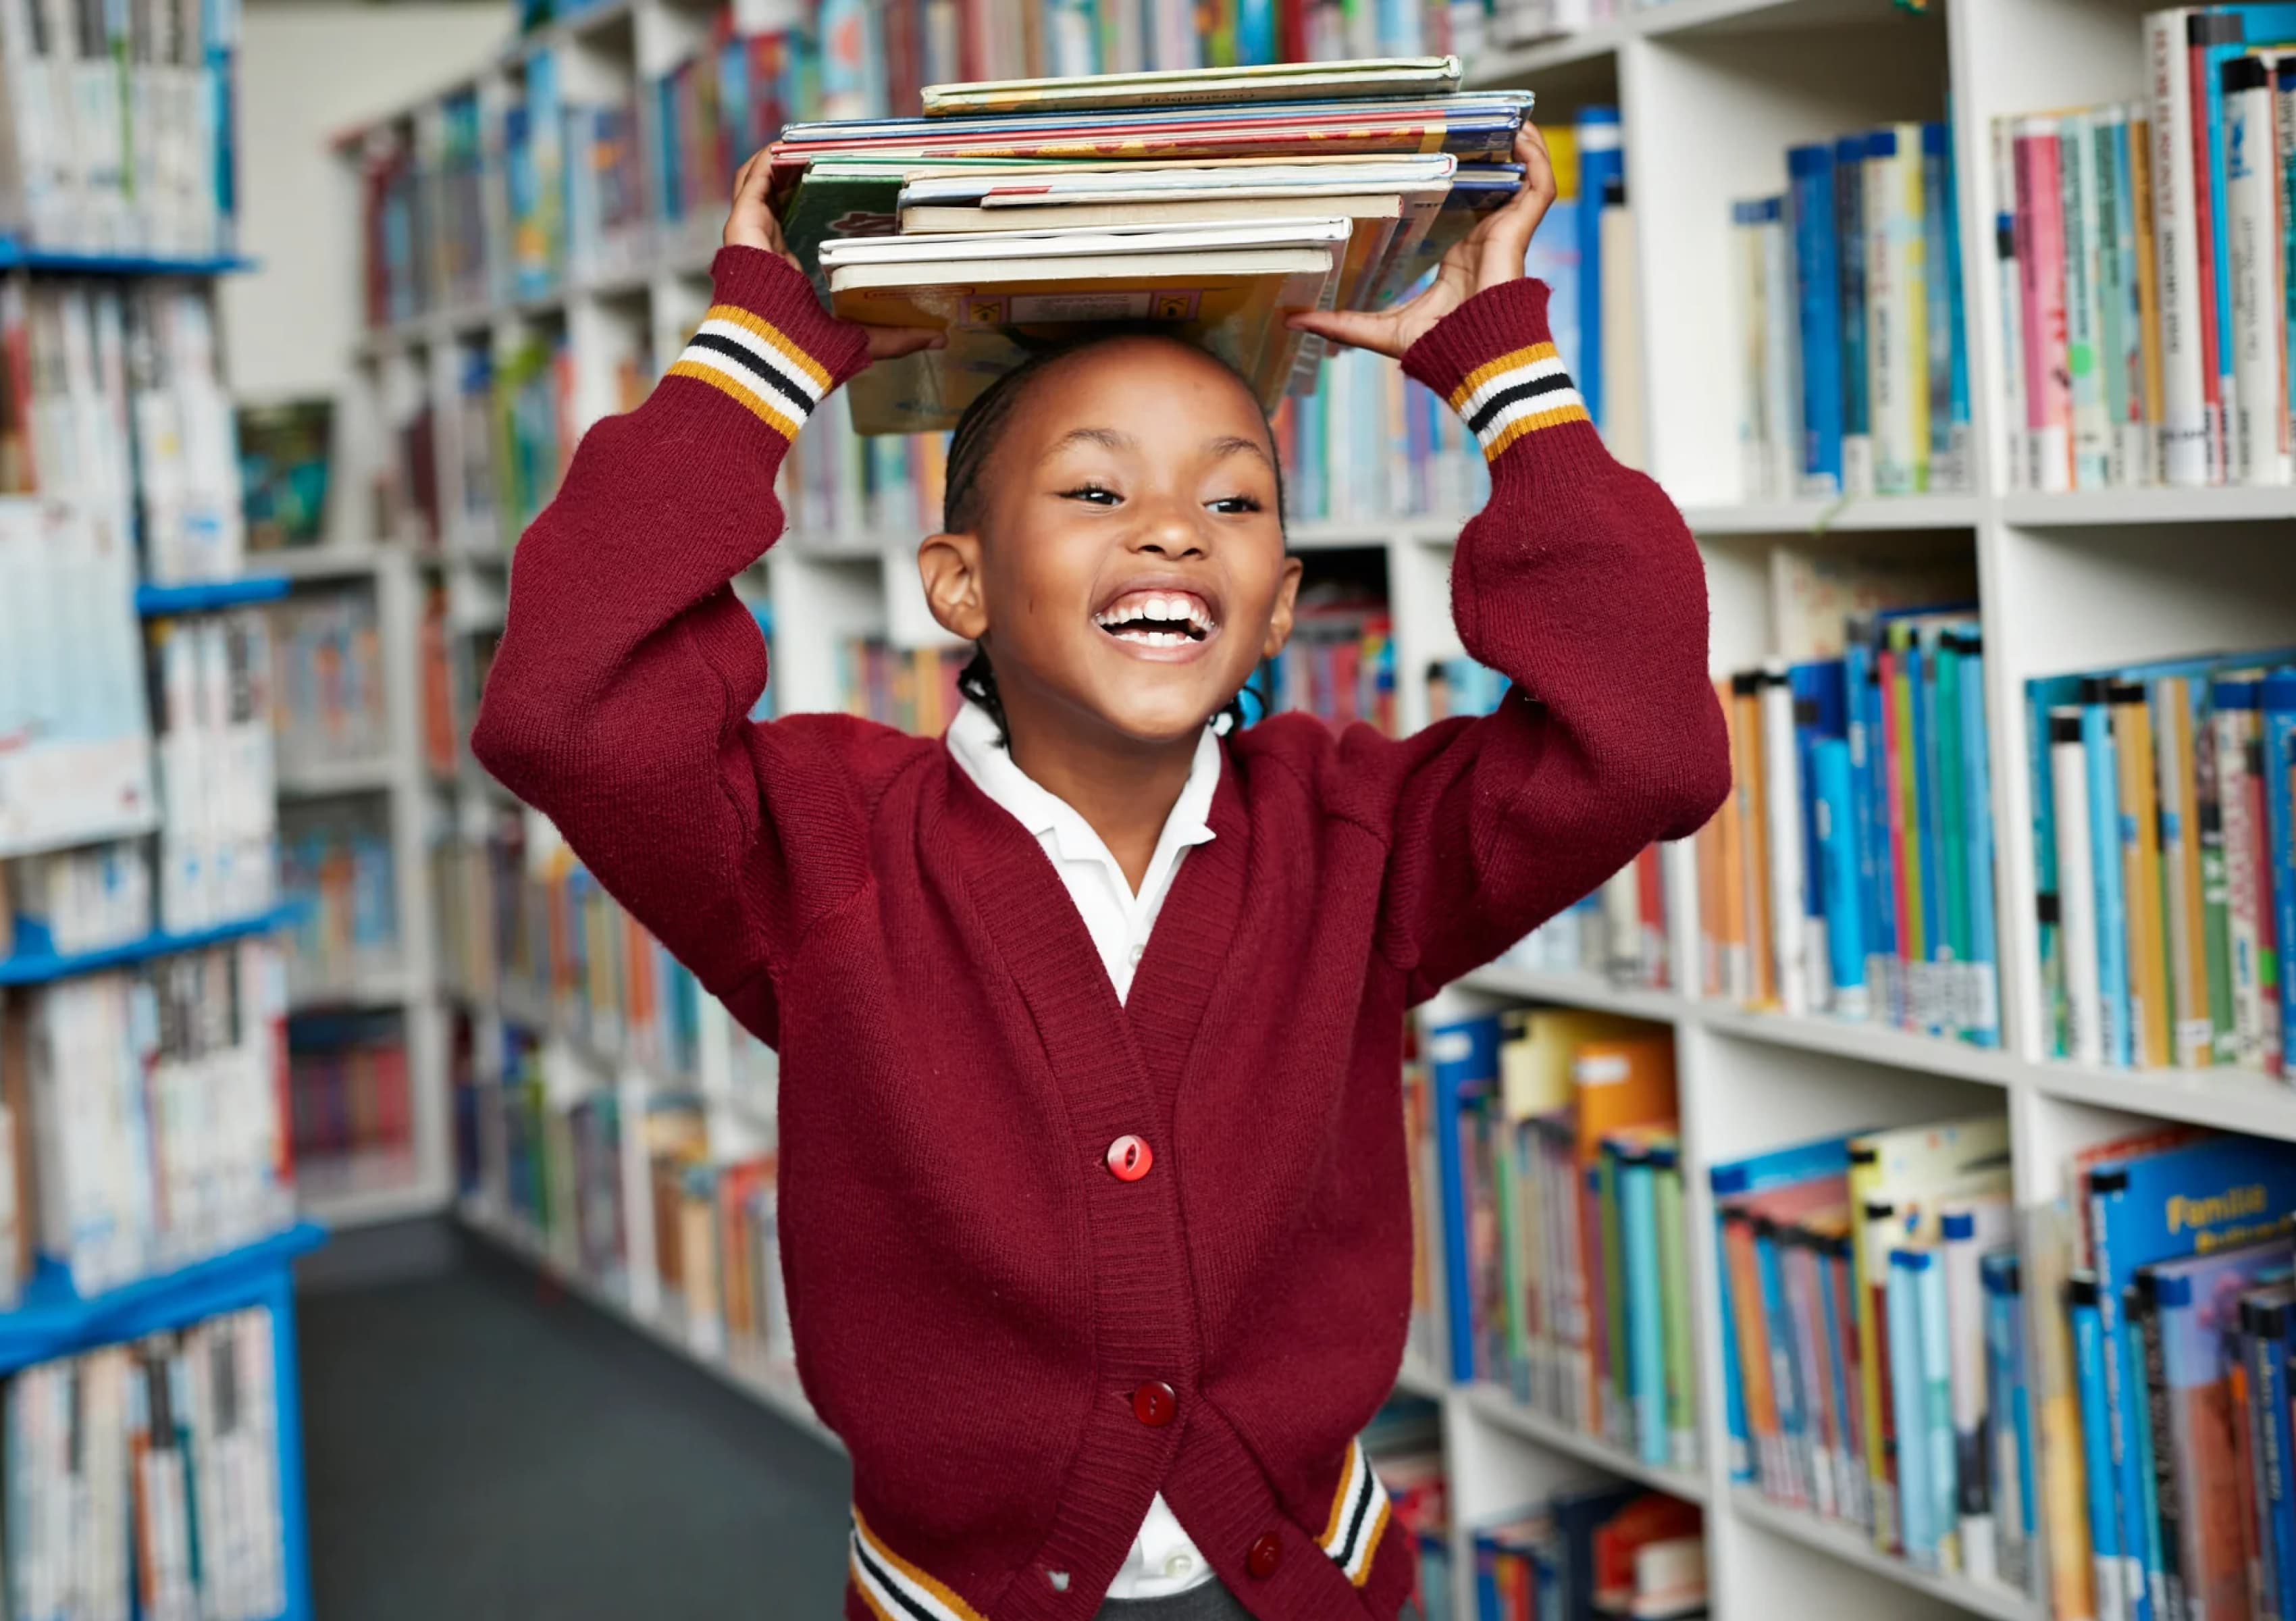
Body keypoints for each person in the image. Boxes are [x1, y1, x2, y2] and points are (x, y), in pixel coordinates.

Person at [472, 122, 1729, 1621]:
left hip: (1308, 1580)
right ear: (957, 586)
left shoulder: (1362, 843)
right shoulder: (816, 853)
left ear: (1276, 613)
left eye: (1233, 502)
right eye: (1090, 494)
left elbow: (1644, 745)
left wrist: (1495, 368)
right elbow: (568, 704)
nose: (1170, 533)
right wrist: (763, 348)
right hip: (955, 1594)